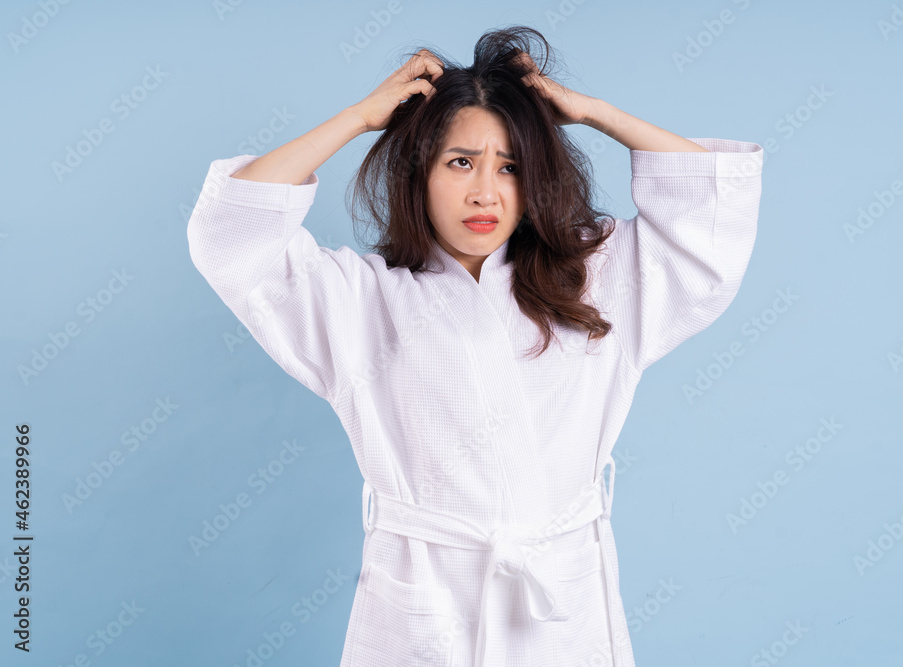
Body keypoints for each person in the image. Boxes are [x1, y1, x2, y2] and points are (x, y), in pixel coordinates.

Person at [187, 25, 762, 667]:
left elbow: (710, 219)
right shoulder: (357, 301)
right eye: (460, 162)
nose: (485, 192)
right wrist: (357, 118)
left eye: (510, 166)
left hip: (561, 604)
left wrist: (593, 113)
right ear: (420, 173)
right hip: (420, 605)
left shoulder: (595, 283)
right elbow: (229, 235)